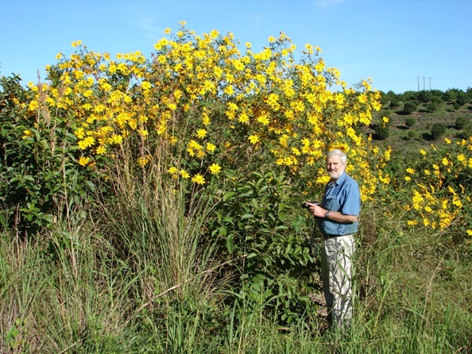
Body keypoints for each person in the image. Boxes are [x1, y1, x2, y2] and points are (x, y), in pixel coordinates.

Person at [305, 149, 360, 328]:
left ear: (344, 164)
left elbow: (351, 216)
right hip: (328, 241)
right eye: (329, 163)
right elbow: (330, 210)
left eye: (335, 163)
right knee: (329, 287)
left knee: (340, 288)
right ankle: (333, 327)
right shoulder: (331, 184)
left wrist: (324, 212)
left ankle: (343, 333)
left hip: (340, 242)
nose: (331, 166)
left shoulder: (349, 185)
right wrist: (316, 207)